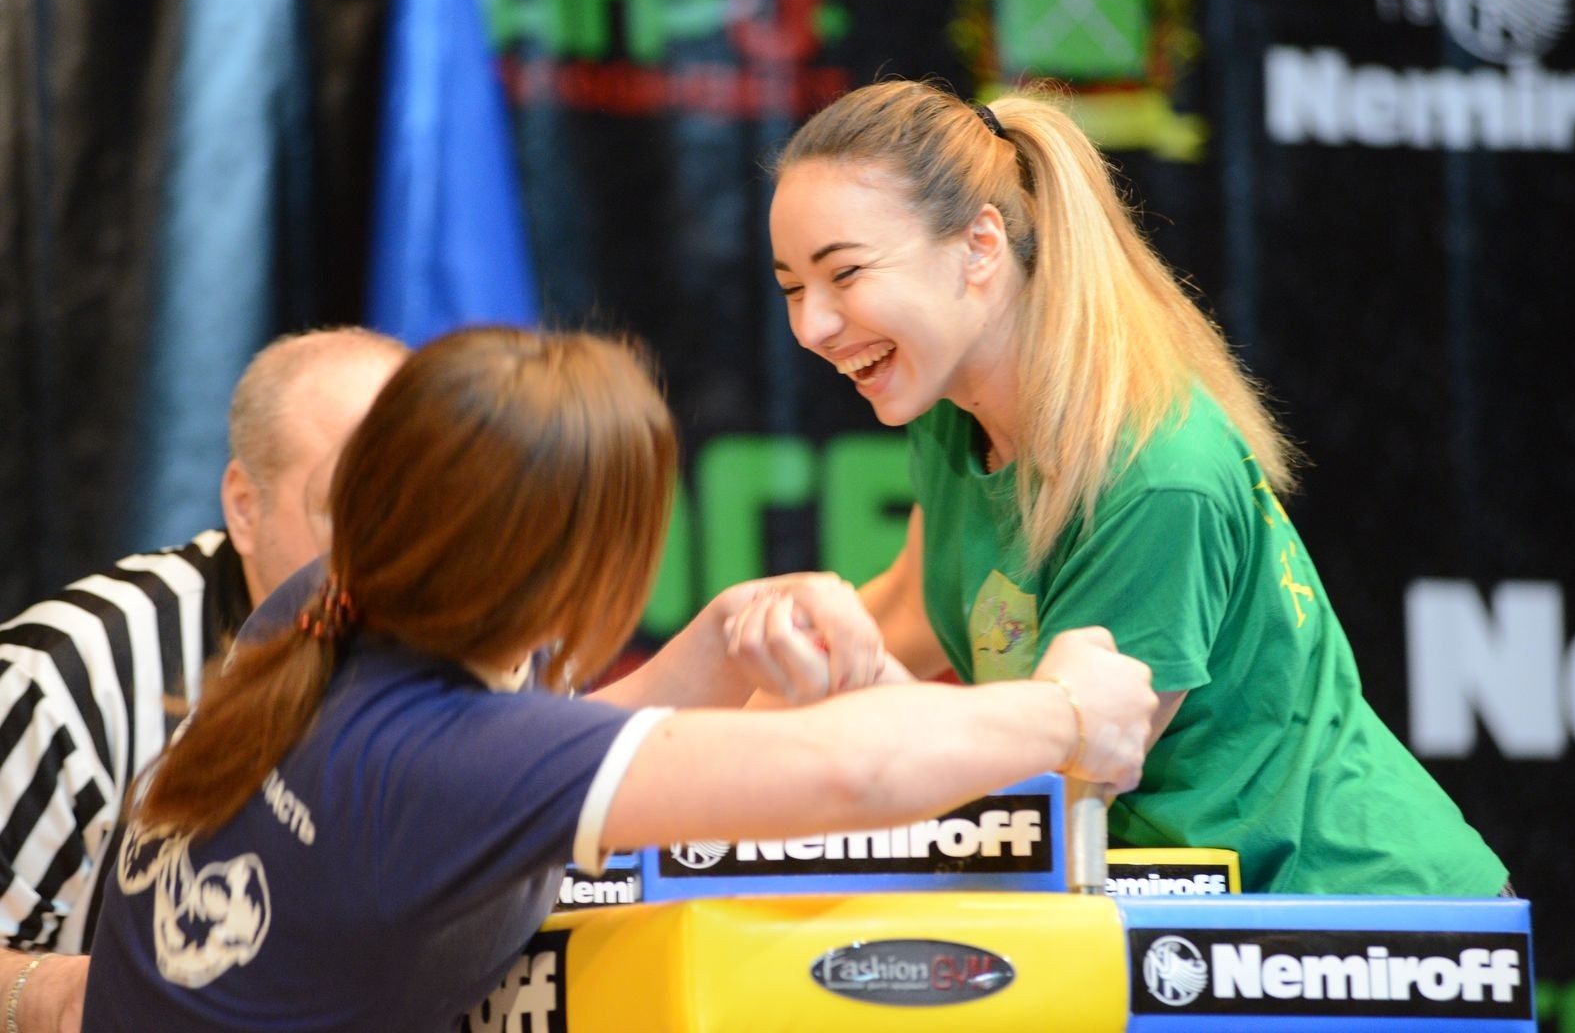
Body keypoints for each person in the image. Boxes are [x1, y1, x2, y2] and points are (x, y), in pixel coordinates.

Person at [81, 328, 1157, 1031]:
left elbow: (535, 770)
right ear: (583, 570)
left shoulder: (319, 606)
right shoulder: (440, 762)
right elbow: (847, 769)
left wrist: (723, 638)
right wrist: (1065, 710)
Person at [767, 79, 1509, 896]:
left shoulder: (1156, 476)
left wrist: (828, 746)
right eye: (793, 288)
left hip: (1359, 917)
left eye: (845, 274)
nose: (811, 326)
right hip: (1188, 914)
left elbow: (1063, 789)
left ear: (979, 245)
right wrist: (708, 746)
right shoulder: (949, 408)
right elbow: (909, 612)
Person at [0, 328, 406, 1028]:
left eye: (420, 505)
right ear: (245, 507)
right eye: (348, 507)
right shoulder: (70, 679)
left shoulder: (495, 653)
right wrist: (59, 996)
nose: (393, 548)